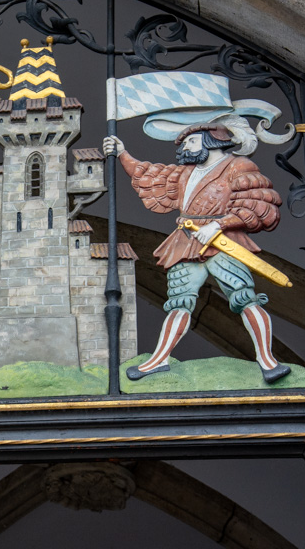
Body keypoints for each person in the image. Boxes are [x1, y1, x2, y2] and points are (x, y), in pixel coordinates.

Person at [107, 123, 291, 383]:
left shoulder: (238, 166)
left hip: (222, 243)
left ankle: (267, 360)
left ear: (210, 141)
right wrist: (123, 153)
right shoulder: (185, 173)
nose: (185, 148)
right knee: (179, 301)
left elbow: (257, 201)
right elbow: (151, 175)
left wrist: (219, 224)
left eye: (191, 142)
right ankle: (158, 360)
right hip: (186, 241)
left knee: (244, 297)